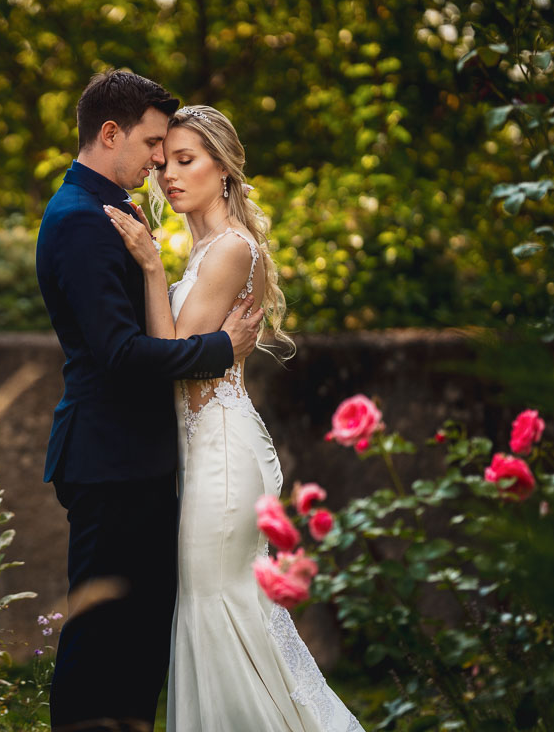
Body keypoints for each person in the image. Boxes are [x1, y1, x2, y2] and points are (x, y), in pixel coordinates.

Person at [104, 104, 364, 730]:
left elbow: (172, 357)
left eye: (187, 161)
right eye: (166, 162)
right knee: (212, 607)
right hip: (201, 454)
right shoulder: (205, 250)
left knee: (218, 607)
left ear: (223, 169)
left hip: (221, 455)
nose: (169, 175)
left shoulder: (228, 251)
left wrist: (148, 265)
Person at [35, 70, 264, 732]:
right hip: (111, 461)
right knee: (100, 645)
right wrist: (223, 349)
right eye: (154, 143)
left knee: (136, 646)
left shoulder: (112, 209)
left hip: (138, 461)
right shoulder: (81, 220)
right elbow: (123, 355)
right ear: (111, 134)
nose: (160, 160)